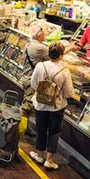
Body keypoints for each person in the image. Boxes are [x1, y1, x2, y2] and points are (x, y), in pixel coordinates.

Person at [29, 42, 74, 170]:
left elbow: (33, 84)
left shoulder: (40, 65)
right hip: (57, 107)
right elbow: (69, 93)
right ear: (61, 55)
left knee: (41, 129)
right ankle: (49, 160)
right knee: (54, 132)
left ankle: (39, 155)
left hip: (40, 104)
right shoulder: (64, 70)